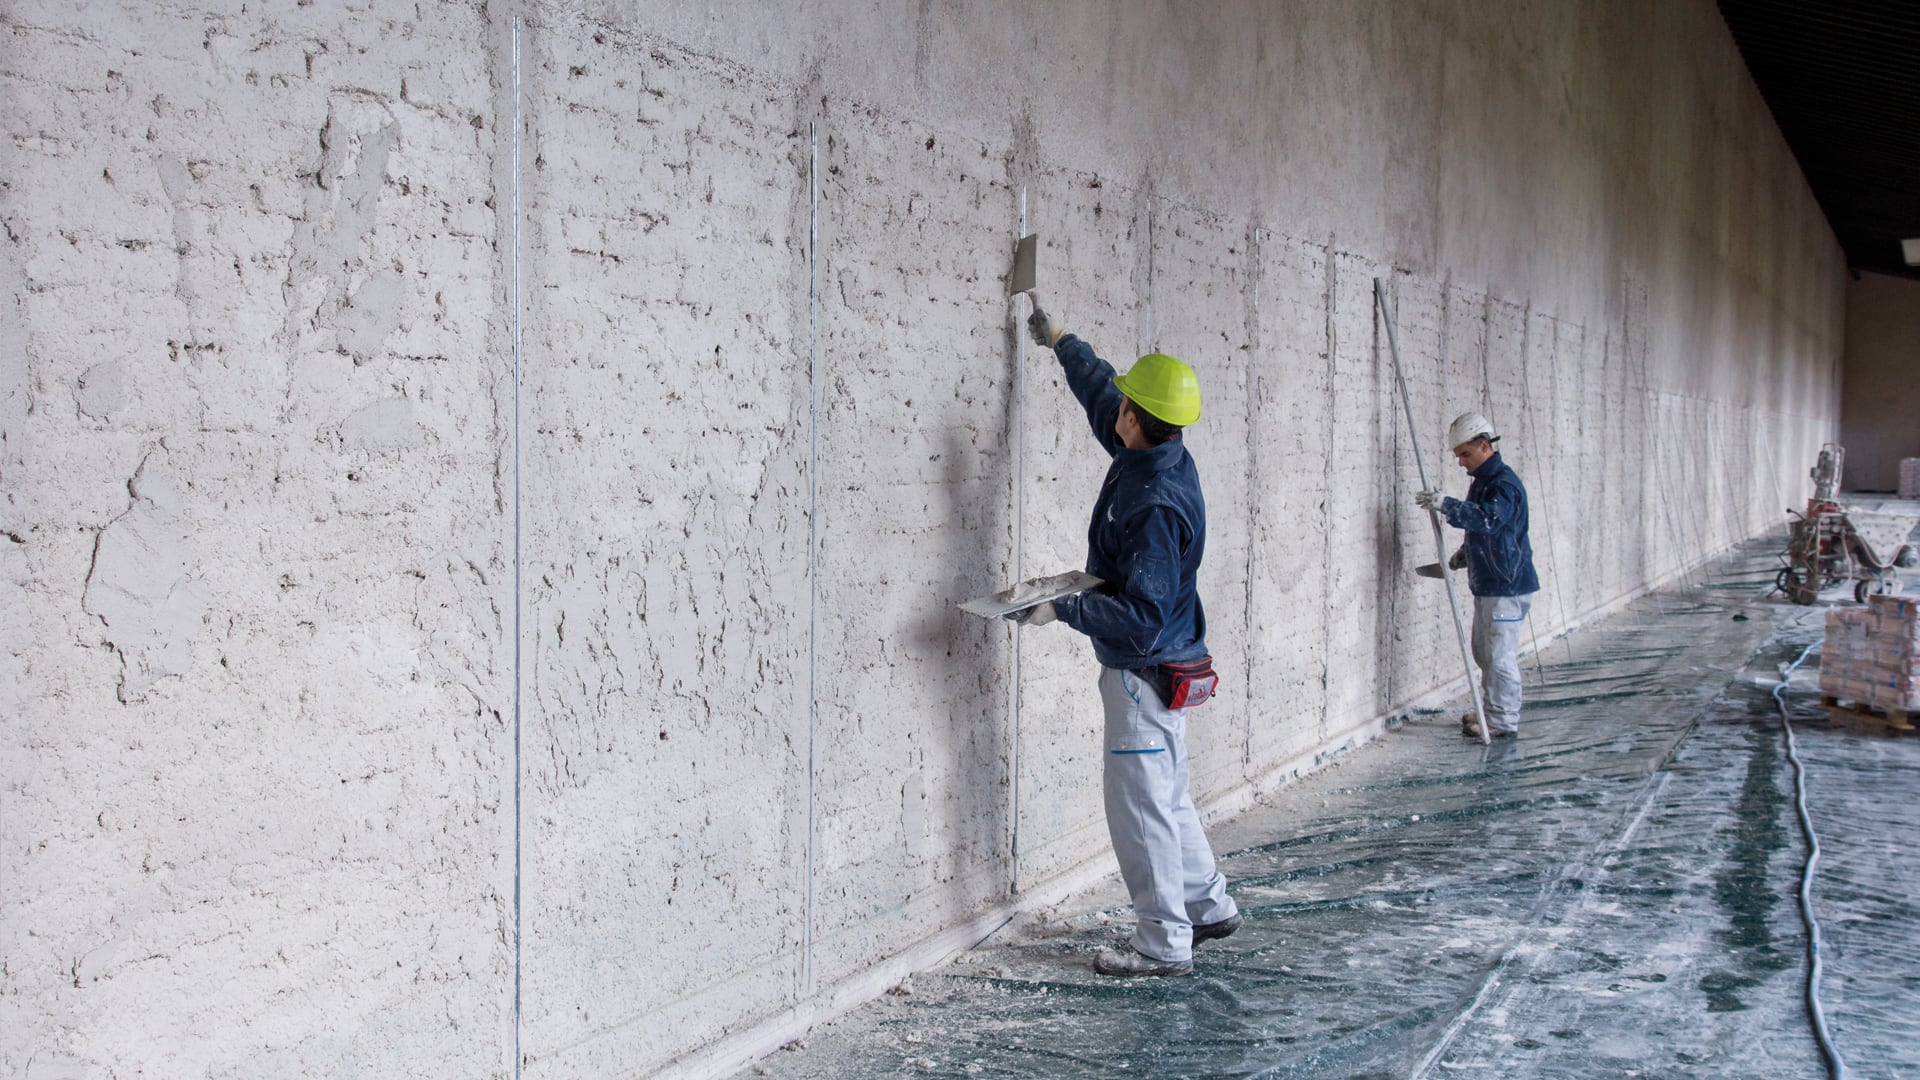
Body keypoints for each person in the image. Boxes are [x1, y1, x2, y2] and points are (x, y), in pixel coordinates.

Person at [1007, 296, 1240, 978]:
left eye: (1126, 408)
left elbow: (1139, 614)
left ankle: (1163, 943)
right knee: (1168, 794)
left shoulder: (1153, 505)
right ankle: (1208, 905)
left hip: (1144, 671)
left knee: (1141, 809)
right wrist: (1063, 341)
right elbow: (1104, 392)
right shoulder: (1159, 451)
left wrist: (1063, 609)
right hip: (1169, 662)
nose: (1118, 412)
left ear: (1139, 421)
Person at [1414, 412, 1541, 739]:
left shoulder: (1504, 486)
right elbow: (1489, 536)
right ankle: (1493, 711)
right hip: (1490, 586)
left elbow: (1489, 521)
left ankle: (1503, 719)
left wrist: (1447, 505)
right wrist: (1463, 556)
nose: (1461, 462)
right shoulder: (1484, 483)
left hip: (1507, 589)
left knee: (1499, 657)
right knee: (1484, 653)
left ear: (1485, 446)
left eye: (1465, 454)